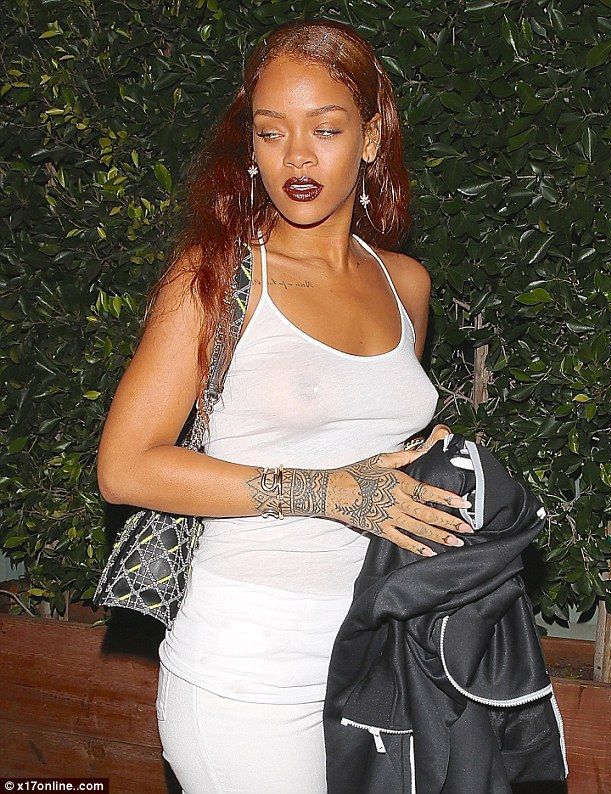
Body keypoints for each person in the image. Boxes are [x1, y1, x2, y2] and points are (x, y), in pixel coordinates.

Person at [96, 19, 474, 794]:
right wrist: (326, 490)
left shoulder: (405, 283)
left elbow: (368, 446)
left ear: (370, 138)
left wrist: (430, 466)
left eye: (325, 130)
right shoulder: (212, 277)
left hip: (376, 659)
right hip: (246, 672)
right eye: (271, 133)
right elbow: (125, 468)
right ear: (252, 146)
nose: (297, 157)